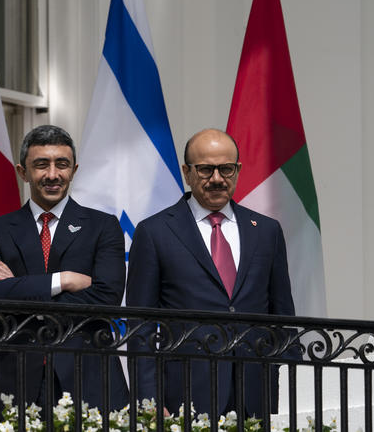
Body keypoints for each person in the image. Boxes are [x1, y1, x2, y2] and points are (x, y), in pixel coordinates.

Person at [126, 128, 296, 418]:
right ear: (186, 172)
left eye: (226, 169)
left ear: (238, 170)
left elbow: (283, 318)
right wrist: (149, 401)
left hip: (257, 393)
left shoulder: (267, 231)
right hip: (186, 394)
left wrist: (293, 391)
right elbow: (140, 325)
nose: (217, 179)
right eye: (205, 169)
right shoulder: (155, 232)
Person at [0, 125, 129, 410]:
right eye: (41, 165)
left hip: (88, 377)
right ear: (23, 172)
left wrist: (19, 288)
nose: (53, 175)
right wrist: (63, 280)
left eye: (62, 164)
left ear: (74, 169)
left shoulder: (103, 226)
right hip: (14, 378)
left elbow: (107, 297)